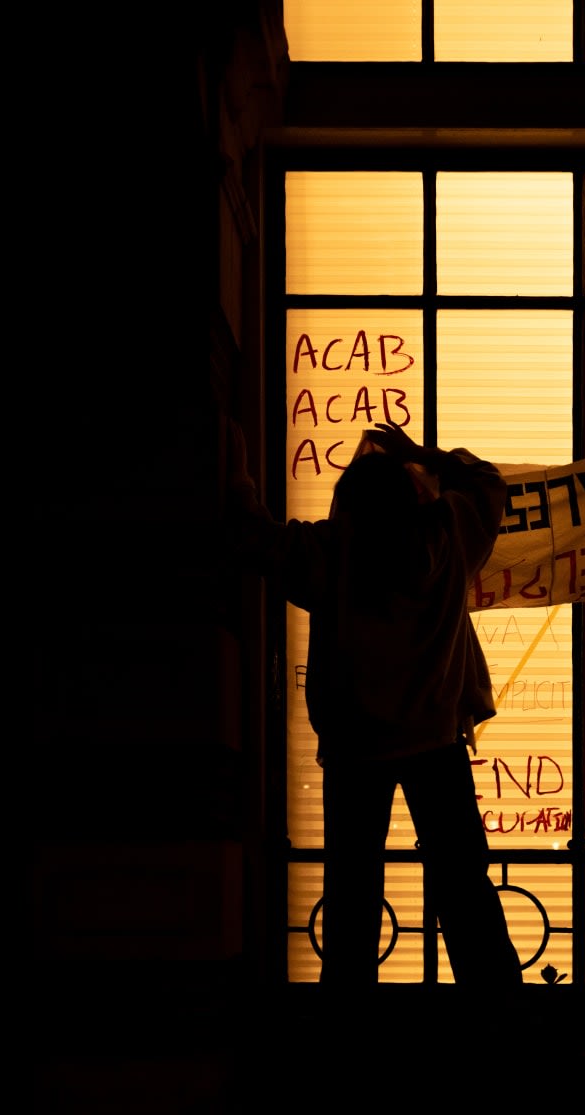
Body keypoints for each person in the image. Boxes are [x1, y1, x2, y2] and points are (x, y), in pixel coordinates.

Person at [225, 417, 521, 988]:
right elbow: (486, 480)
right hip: (437, 743)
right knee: (463, 887)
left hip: (355, 751)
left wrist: (234, 462)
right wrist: (421, 453)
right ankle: (497, 1021)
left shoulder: (329, 553)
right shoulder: (451, 533)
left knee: (352, 894)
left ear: (348, 506)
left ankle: (350, 1037)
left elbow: (249, 534)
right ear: (414, 494)